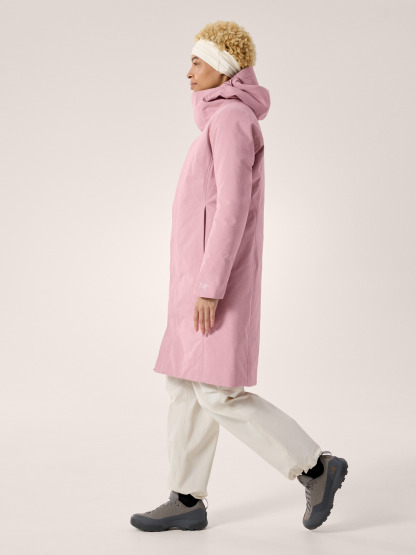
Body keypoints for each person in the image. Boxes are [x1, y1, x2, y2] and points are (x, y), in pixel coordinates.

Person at [130, 20, 348, 533]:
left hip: (214, 285)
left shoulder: (229, 120)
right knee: (185, 386)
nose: (188, 73)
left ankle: (316, 467)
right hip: (195, 284)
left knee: (216, 392)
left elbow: (232, 206)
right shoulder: (217, 121)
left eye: (197, 62)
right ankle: (186, 498)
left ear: (222, 67)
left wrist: (209, 287)